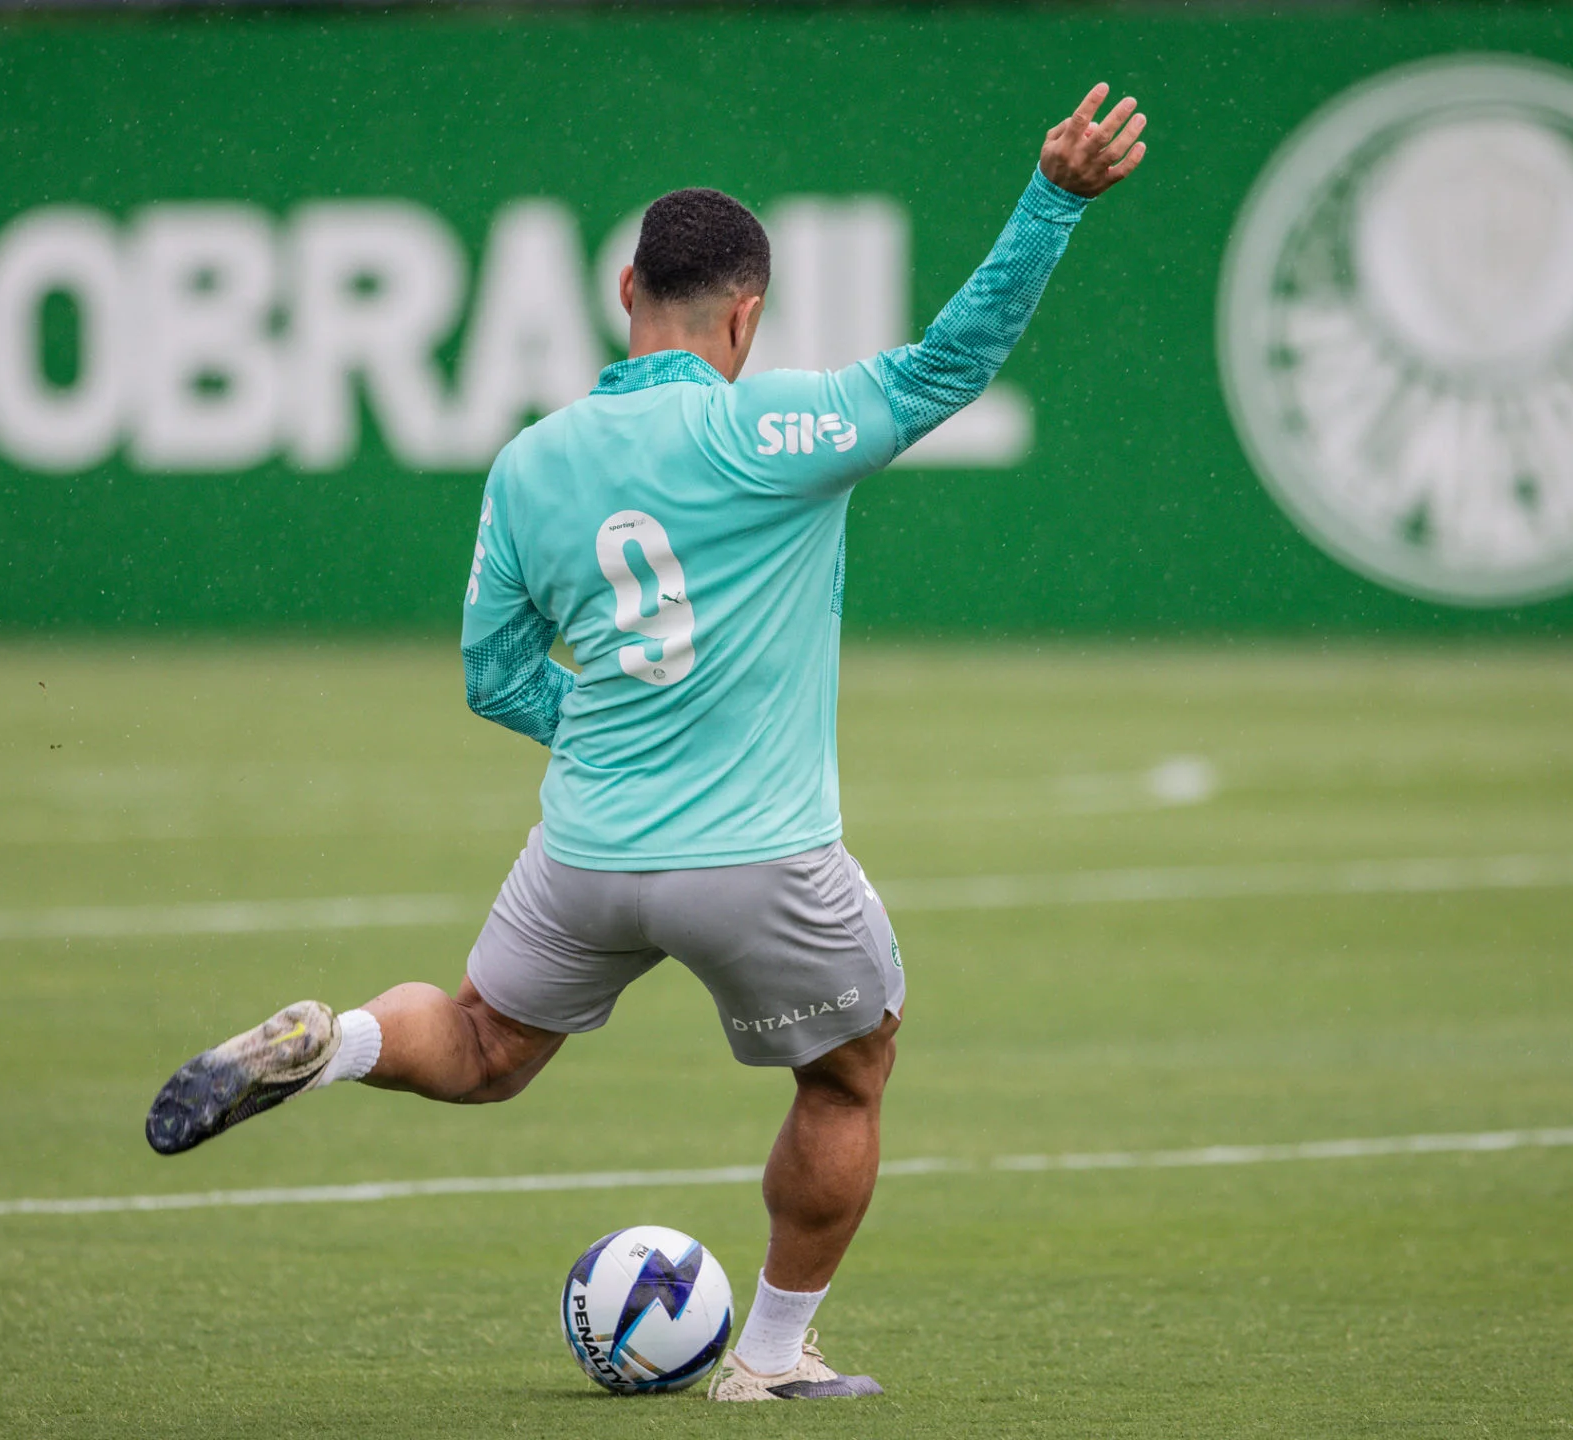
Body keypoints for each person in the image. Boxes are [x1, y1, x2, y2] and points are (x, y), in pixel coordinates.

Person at [145, 84, 1146, 1401]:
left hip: (585, 849)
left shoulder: (530, 463)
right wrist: (1052, 199)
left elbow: (493, 675)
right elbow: (948, 364)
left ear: (625, 289)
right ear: (748, 315)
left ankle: (328, 1040)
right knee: (851, 1076)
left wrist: (614, 734)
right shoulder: (772, 429)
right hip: (758, 859)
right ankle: (771, 1364)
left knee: (482, 1043)